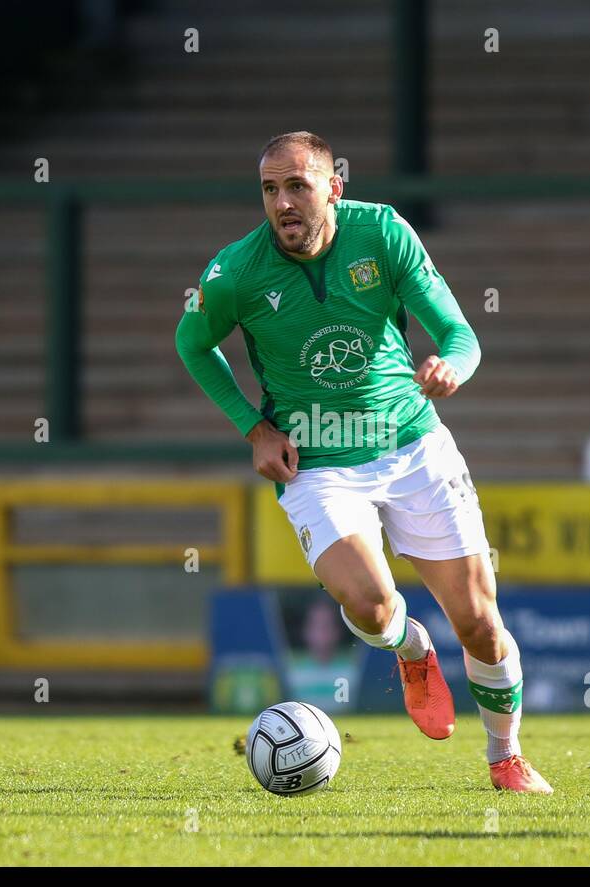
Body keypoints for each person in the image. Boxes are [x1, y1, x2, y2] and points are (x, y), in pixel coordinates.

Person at [176, 131, 551, 791]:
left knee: (481, 624)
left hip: (412, 448)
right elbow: (191, 343)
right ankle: (412, 651)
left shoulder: (382, 234)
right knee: (375, 606)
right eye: (270, 189)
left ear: (334, 187)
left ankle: (506, 756)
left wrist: (451, 366)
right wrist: (253, 428)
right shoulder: (235, 271)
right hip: (316, 463)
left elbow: (460, 333)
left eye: (297, 185)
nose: (283, 202)